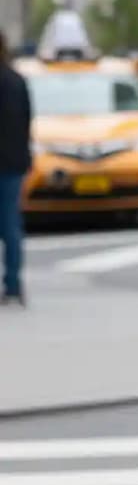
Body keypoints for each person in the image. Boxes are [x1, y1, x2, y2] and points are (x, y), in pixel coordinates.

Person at [0, 30, 31, 307]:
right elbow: (26, 123)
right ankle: (12, 285)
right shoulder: (17, 80)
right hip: (13, 163)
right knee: (11, 225)